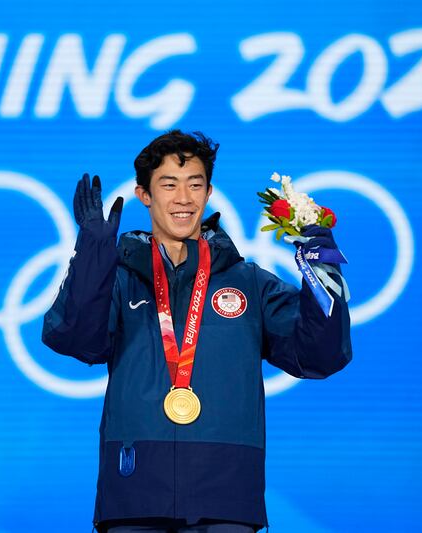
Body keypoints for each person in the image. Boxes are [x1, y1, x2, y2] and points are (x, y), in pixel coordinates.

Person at [42, 130, 352, 533]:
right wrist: (92, 256)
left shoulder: (250, 283)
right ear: (144, 195)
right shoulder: (118, 279)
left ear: (208, 193)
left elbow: (320, 355)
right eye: (169, 184)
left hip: (225, 496)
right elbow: (75, 339)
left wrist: (322, 270)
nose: (184, 198)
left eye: (195, 184)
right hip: (134, 490)